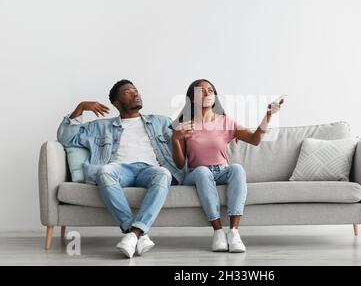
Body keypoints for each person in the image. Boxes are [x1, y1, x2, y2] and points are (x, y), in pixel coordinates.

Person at [57, 79, 185, 258]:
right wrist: (81, 107)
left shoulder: (161, 122)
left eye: (136, 90)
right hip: (119, 170)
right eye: (128, 91)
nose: (135, 93)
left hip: (151, 170)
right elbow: (66, 137)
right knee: (104, 171)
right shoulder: (101, 127)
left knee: (164, 174)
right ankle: (139, 234)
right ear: (117, 102)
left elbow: (190, 132)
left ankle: (133, 235)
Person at [171, 79, 284, 252]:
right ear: (192, 99)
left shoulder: (226, 122)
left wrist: (268, 115)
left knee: (237, 168)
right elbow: (180, 164)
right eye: (201, 91)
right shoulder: (186, 125)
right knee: (202, 172)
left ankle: (233, 232)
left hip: (222, 171)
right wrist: (176, 138)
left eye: (210, 90)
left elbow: (255, 139)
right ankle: (217, 231)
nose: (207, 93)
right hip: (197, 173)